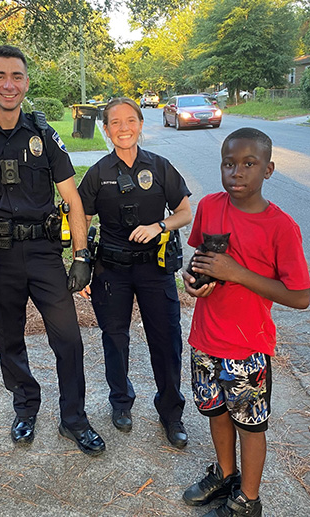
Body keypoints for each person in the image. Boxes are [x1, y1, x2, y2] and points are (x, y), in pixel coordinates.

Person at [0, 45, 104, 456]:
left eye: (16, 76)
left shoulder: (43, 135)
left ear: (26, 82)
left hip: (43, 253)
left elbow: (72, 198)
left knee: (69, 340)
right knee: (10, 342)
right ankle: (26, 408)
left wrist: (82, 256)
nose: (8, 85)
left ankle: (74, 419)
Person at [181, 127, 310, 517]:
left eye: (249, 164)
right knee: (216, 413)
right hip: (205, 337)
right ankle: (225, 475)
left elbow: (300, 297)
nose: (237, 172)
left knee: (250, 425)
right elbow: (200, 259)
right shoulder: (209, 206)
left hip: (247, 348)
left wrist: (236, 273)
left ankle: (248, 500)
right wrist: (193, 280)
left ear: (268, 170)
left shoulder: (280, 227)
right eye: (229, 164)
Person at [78, 97, 193, 448]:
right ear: (106, 128)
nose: (123, 127)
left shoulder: (159, 167)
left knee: (167, 340)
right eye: (115, 122)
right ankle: (121, 403)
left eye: (130, 120)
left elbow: (184, 211)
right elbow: (80, 215)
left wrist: (160, 224)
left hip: (155, 270)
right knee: (114, 339)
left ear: (141, 125)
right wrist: (81, 262)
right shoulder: (98, 173)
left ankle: (171, 413)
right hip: (111, 270)